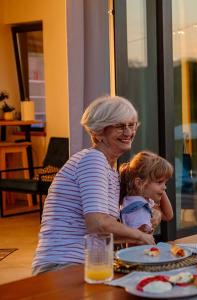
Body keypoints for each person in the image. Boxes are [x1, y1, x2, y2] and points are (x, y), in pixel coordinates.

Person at [32, 96, 157, 275]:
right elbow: (97, 224)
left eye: (133, 124)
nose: (129, 131)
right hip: (63, 266)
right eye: (121, 126)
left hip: (88, 266)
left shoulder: (109, 170)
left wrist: (140, 233)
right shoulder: (92, 160)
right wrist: (139, 236)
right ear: (98, 132)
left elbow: (102, 233)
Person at [119, 151, 174, 234]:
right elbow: (136, 242)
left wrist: (160, 187)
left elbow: (168, 215)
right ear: (139, 183)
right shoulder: (138, 209)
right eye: (159, 182)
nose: (165, 187)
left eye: (165, 183)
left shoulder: (137, 201)